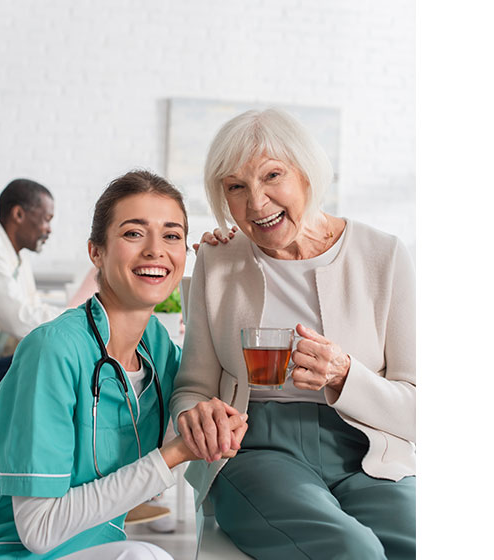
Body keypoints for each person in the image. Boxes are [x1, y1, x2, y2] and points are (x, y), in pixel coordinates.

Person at [170, 108, 416, 559]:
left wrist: (345, 375)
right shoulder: (219, 259)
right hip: (257, 450)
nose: (256, 203)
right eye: (236, 187)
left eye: (272, 176)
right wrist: (197, 415)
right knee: (352, 551)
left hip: (369, 451)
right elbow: (193, 389)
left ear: (307, 171)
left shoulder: (385, 255)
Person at [0, 170, 248, 560]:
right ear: (96, 252)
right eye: (134, 233)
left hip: (98, 548)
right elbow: (38, 531)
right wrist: (175, 454)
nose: (156, 250)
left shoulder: (157, 347)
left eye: (172, 236)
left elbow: (219, 395)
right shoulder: (52, 350)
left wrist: (229, 266)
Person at [0, 178, 64, 390]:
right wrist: (78, 319)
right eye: (46, 219)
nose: (49, 229)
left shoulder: (17, 254)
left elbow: (33, 306)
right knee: (46, 369)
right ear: (18, 214)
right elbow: (20, 319)